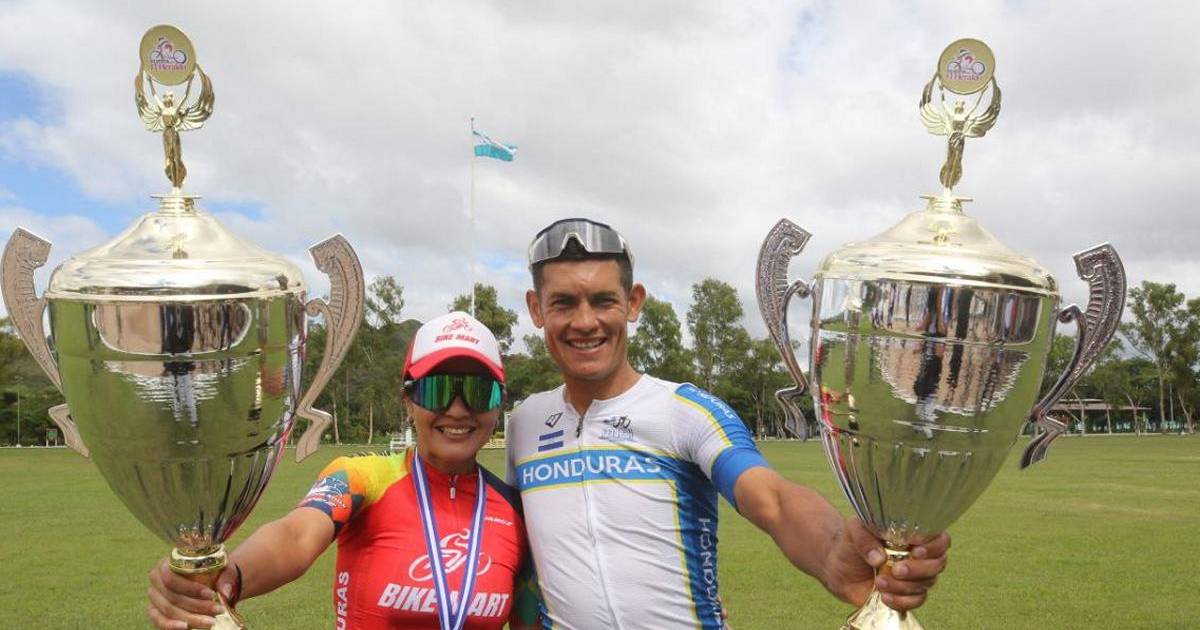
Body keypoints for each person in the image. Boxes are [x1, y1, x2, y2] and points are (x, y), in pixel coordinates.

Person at [506, 218, 951, 628]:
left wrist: (834, 553)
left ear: (633, 302)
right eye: (563, 303)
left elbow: (773, 500)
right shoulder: (525, 424)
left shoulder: (685, 411)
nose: (585, 322)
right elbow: (522, 557)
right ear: (536, 308)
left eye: (603, 301)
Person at [147, 312, 540, 629]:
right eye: (437, 390)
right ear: (408, 400)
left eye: (478, 391)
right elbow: (296, 535)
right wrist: (229, 575)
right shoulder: (360, 477)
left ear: (499, 404)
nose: (457, 409)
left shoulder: (517, 512)